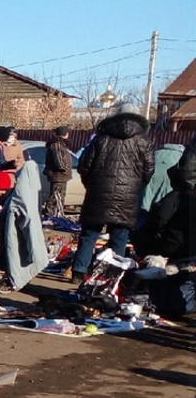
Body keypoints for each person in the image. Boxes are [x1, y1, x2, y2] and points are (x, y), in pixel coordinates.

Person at [67, 105, 154, 281]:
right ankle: (111, 275)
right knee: (120, 238)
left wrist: (91, 185)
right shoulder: (144, 141)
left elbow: (85, 165)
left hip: (98, 194)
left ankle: (78, 272)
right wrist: (135, 187)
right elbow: (149, 170)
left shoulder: (100, 138)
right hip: (127, 197)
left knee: (89, 235)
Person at [44, 126, 73, 218]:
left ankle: (57, 214)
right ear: (65, 134)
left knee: (59, 196)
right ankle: (50, 215)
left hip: (61, 175)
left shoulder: (60, 144)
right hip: (58, 175)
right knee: (55, 196)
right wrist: (64, 168)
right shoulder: (57, 145)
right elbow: (58, 159)